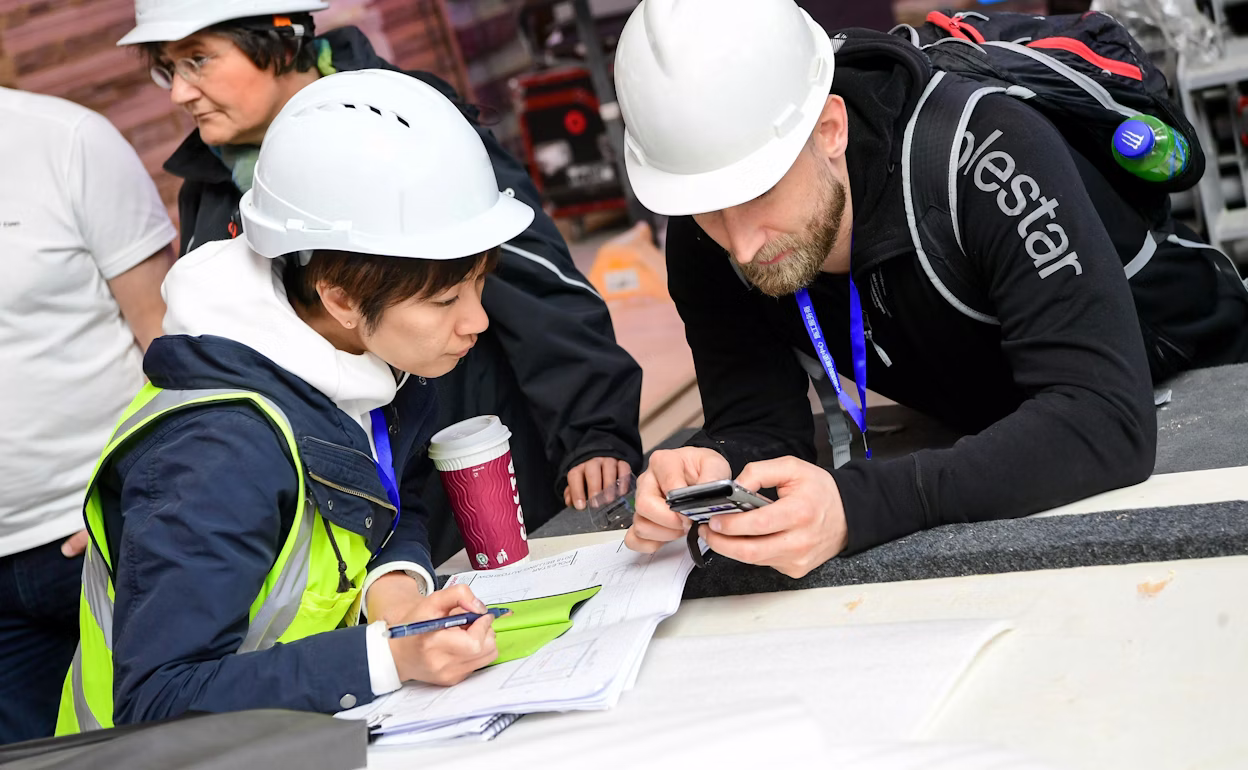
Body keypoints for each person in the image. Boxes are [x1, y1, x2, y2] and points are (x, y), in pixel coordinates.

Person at [611, 0, 1244, 578]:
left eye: (758, 193)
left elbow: (1103, 420)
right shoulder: (704, 236)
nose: (742, 245)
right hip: (1005, 447)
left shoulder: (985, 152)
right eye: (710, 208)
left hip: (1206, 398)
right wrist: (718, 465)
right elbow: (757, 421)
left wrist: (860, 505)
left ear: (829, 130)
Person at [55, 69, 530, 733]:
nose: (476, 321)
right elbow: (159, 699)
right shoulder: (216, 451)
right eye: (447, 298)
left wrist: (392, 588)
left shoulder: (353, 367)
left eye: (479, 284)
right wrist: (386, 657)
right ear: (339, 295)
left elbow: (385, 507)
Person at [118, 0, 643, 562]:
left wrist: (593, 431)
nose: (179, 93)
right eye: (168, 68)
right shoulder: (211, 181)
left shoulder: (409, 125)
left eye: (198, 59)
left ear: (281, 37)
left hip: (468, 459)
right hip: (353, 506)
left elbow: (540, 283)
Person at [0, 86, 175, 743]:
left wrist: (148, 491)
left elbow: (165, 337)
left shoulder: (65, 141)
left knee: (175, 748)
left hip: (113, 536)